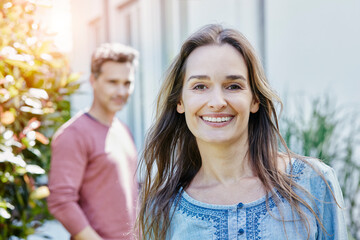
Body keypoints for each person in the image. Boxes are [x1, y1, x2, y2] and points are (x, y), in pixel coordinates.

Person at [137, 24, 348, 239]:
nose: (217, 102)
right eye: (200, 86)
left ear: (255, 99)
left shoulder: (314, 184)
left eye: (233, 86)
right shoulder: (161, 209)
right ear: (180, 101)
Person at [48, 43, 139, 240]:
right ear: (93, 80)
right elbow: (61, 202)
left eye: (127, 83)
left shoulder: (122, 129)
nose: (121, 91)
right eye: (113, 82)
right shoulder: (73, 134)